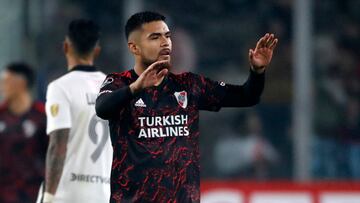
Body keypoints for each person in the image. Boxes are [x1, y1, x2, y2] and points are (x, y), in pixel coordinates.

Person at [96, 11, 277, 202]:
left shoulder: (188, 85)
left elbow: (246, 97)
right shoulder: (120, 83)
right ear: (135, 47)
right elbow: (102, 108)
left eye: (167, 36)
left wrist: (257, 72)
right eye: (155, 37)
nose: (165, 42)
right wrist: (135, 88)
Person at [39, 19, 113, 203]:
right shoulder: (114, 88)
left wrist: (48, 197)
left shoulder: (60, 87)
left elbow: (58, 145)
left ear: (66, 47)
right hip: (103, 192)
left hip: (67, 192)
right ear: (97, 50)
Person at [0, 62, 47, 203]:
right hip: (4, 193)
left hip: (33, 193)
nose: (2, 86)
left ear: (21, 83)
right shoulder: (1, 115)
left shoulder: (41, 116)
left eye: (5, 81)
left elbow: (53, 154)